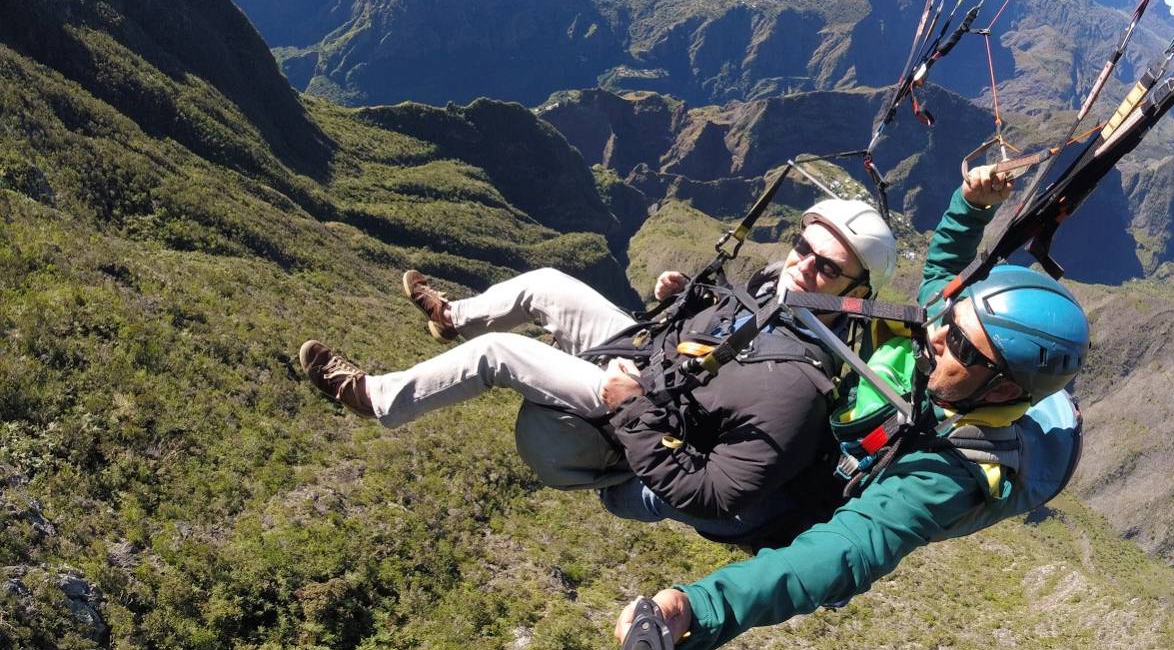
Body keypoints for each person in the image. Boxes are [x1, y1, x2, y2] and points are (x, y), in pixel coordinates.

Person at [614, 164, 1090, 650]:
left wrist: (699, 608)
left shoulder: (945, 475)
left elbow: (847, 549)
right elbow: (944, 272)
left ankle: (630, 491)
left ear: (1000, 393)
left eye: (964, 348)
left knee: (649, 499)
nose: (939, 333)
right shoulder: (942, 334)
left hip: (825, 498)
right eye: (951, 318)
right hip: (850, 439)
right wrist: (972, 205)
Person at [299, 199, 898, 541]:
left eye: (827, 267)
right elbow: (731, 337)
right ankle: (454, 316)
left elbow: (718, 493)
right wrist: (691, 295)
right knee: (548, 284)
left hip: (643, 409)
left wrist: (629, 406)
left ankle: (375, 397)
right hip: (651, 359)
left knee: (501, 357)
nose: (804, 266)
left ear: (857, 289)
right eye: (802, 246)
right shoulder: (777, 288)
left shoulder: (801, 378)